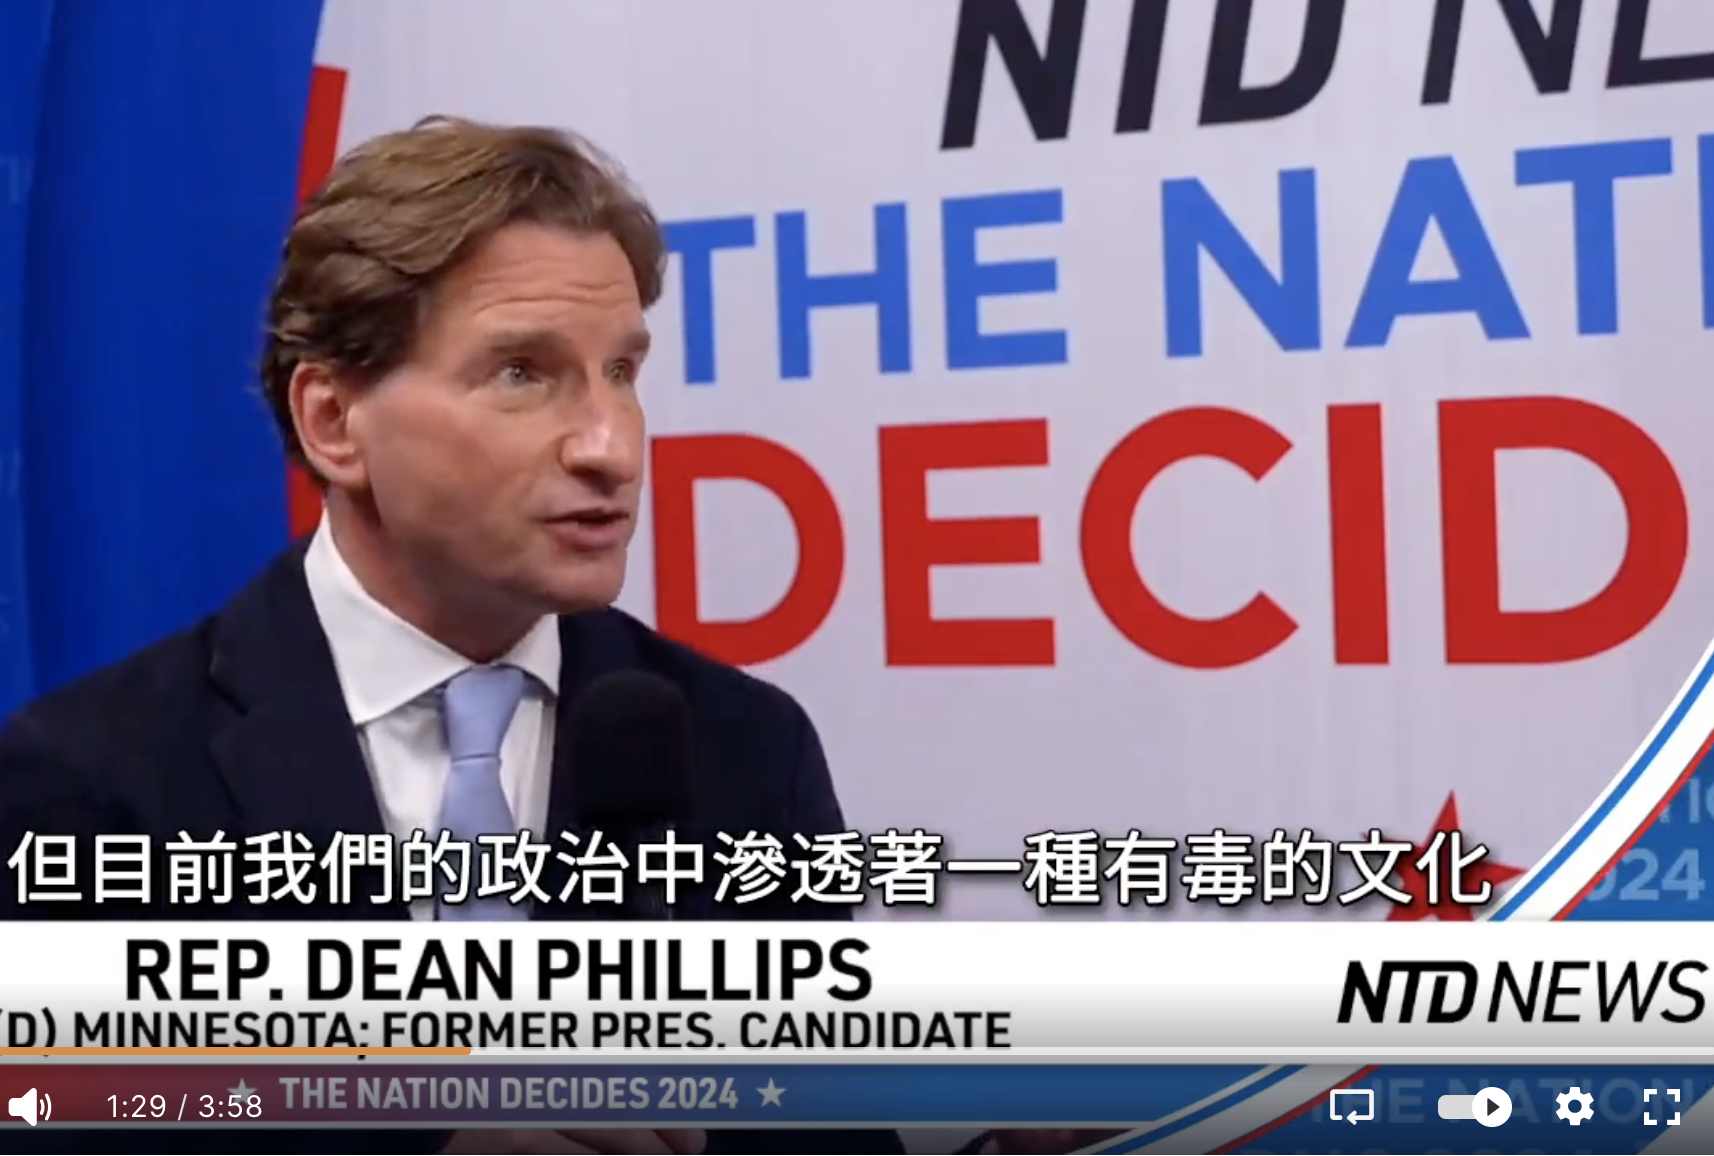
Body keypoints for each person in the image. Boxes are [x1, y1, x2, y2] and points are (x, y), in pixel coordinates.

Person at [0, 117, 1094, 1156]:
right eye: (522, 373)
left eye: (623, 371)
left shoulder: (745, 747)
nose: (610, 446)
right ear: (334, 420)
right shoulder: (92, 782)